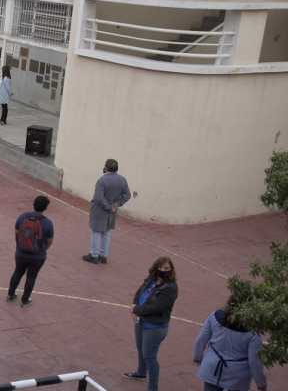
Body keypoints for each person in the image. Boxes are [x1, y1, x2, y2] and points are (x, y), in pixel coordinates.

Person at [192, 293, 268, 391]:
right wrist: (261, 383)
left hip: (212, 366)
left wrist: (197, 358)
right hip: (237, 376)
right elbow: (254, 361)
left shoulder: (215, 316)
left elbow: (200, 340)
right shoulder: (253, 332)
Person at [124, 257, 179, 391]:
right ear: (156, 267)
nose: (163, 270)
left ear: (171, 270)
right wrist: (135, 303)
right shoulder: (151, 279)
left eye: (166, 268)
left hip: (155, 327)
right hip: (141, 321)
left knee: (149, 356)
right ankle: (141, 372)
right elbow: (140, 291)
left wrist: (136, 310)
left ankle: (153, 388)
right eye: (161, 267)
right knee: (141, 349)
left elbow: (156, 307)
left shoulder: (171, 288)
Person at [6, 196, 54, 307]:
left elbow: (17, 232)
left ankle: (10, 294)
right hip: (37, 256)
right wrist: (43, 250)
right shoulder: (48, 223)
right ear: (45, 208)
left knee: (17, 272)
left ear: (33, 204)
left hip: (21, 252)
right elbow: (50, 241)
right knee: (31, 276)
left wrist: (19, 245)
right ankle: (25, 300)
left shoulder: (22, 217)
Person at [84, 159, 131, 264]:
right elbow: (127, 195)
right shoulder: (122, 180)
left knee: (96, 231)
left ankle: (94, 255)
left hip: (100, 210)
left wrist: (108, 207)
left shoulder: (102, 180)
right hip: (112, 211)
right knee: (107, 232)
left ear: (106, 167)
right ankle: (103, 255)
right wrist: (116, 205)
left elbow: (98, 198)